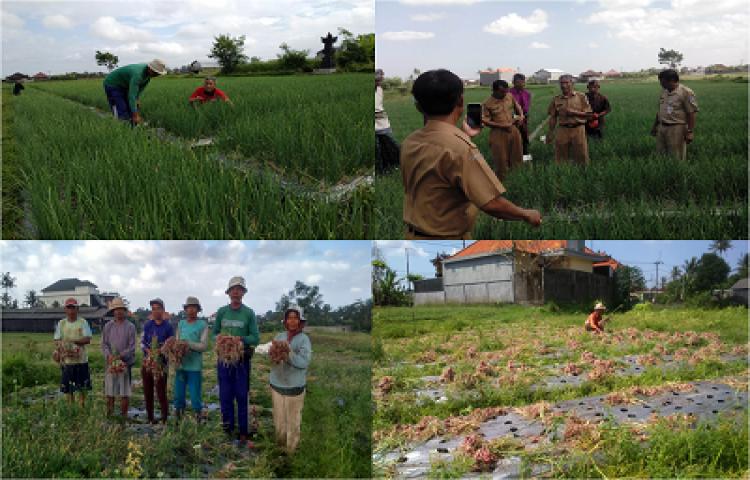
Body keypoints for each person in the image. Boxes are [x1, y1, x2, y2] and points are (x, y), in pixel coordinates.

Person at [400, 69, 542, 239]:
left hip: (413, 235)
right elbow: (492, 203)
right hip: (445, 238)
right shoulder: (461, 148)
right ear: (460, 100)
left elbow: (439, 157)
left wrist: (463, 134)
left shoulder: (410, 141)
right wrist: (526, 214)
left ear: (418, 106)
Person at [213, 276, 260, 446]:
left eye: (239, 289)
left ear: (243, 293)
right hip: (224, 361)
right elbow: (215, 333)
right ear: (228, 292)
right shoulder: (222, 312)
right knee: (225, 395)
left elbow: (255, 337)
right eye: (233, 289)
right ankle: (227, 429)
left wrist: (241, 339)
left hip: (241, 361)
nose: (236, 291)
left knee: (241, 395)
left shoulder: (248, 313)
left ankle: (243, 431)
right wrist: (221, 340)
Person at [268, 304, 312, 453]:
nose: (292, 321)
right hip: (277, 385)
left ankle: (290, 454)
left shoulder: (304, 339)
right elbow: (272, 356)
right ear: (285, 321)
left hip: (294, 388)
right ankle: (280, 450)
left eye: (295, 318)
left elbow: (304, 362)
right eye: (289, 318)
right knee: (279, 422)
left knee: (293, 423)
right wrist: (271, 352)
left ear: (300, 321)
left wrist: (288, 354)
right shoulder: (279, 336)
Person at [650, 69, 698, 160]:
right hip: (662, 127)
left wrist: (690, 132)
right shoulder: (664, 92)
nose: (661, 84)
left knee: (676, 157)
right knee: (661, 156)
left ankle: (676, 173)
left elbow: (691, 113)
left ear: (672, 80)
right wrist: (655, 126)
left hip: (677, 128)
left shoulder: (686, 92)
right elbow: (660, 111)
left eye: (663, 82)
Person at [482, 79, 525, 181]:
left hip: (513, 130)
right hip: (498, 133)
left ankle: (517, 179)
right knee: (501, 160)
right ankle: (503, 183)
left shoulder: (509, 96)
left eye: (506, 91)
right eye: (502, 92)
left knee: (517, 156)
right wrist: (500, 125)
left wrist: (521, 116)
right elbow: (485, 120)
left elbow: (517, 106)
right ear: (494, 90)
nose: (505, 94)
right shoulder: (487, 103)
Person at [174, 296, 209, 422]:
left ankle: (198, 417)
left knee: (195, 395)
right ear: (185, 309)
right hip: (181, 366)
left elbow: (203, 346)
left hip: (194, 366)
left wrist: (188, 344)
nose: (191, 310)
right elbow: (177, 342)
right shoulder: (181, 323)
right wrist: (177, 349)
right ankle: (179, 418)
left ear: (198, 309)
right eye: (189, 308)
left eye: (194, 307)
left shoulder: (202, 325)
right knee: (179, 394)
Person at [53, 298, 92, 407]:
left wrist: (73, 342)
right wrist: (63, 347)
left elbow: (88, 339)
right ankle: (71, 408)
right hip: (67, 361)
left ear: (77, 309)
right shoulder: (61, 323)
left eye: (73, 308)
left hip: (81, 360)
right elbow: (56, 339)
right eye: (69, 307)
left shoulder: (83, 322)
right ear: (65, 309)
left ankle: (81, 408)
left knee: (82, 387)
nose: (71, 310)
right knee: (68, 389)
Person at [546, 74, 593, 164]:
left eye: (566, 83)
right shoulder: (556, 99)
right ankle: (563, 173)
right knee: (560, 157)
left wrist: (573, 113)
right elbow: (553, 117)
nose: (563, 85)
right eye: (561, 83)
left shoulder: (581, 97)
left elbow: (589, 115)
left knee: (581, 156)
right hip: (562, 129)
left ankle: (583, 173)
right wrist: (550, 132)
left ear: (572, 84)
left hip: (578, 129)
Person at [140, 297, 174, 424]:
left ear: (163, 310)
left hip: (161, 364)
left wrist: (161, 350)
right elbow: (142, 342)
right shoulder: (148, 325)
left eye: (158, 308)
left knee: (161, 392)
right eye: (153, 309)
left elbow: (171, 342)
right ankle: (150, 417)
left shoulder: (168, 326)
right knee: (147, 391)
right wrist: (148, 351)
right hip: (148, 362)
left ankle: (164, 418)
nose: (155, 311)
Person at [103, 59, 167, 125]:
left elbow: (138, 90)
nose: (157, 75)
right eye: (156, 73)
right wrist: (135, 115)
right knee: (121, 107)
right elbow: (132, 96)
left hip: (124, 85)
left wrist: (137, 99)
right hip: (112, 84)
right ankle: (119, 126)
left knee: (131, 107)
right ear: (150, 69)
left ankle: (131, 126)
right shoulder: (138, 74)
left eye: (158, 74)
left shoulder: (148, 76)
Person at [101, 297, 136, 417]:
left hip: (124, 364)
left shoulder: (130, 326)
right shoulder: (108, 326)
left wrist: (120, 356)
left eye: (121, 309)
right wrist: (109, 356)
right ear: (113, 312)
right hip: (111, 363)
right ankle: (109, 416)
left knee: (124, 393)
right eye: (116, 309)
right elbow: (104, 344)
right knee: (110, 392)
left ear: (124, 311)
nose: (118, 312)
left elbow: (132, 347)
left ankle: (124, 417)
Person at [376, 69, 400, 174]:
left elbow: (379, 106)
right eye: (377, 80)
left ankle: (394, 164)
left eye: (380, 80)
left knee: (390, 143)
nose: (379, 82)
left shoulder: (380, 90)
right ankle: (380, 169)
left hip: (382, 121)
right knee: (376, 147)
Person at [509, 73, 531, 157]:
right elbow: (508, 109)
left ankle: (526, 157)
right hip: (511, 119)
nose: (521, 84)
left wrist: (522, 118)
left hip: (523, 117)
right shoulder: (508, 93)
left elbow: (526, 108)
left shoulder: (527, 93)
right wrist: (516, 118)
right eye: (518, 82)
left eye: (522, 82)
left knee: (524, 138)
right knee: (512, 139)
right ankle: (512, 158)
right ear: (513, 82)